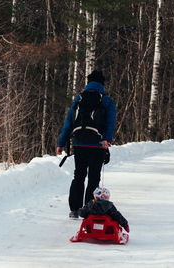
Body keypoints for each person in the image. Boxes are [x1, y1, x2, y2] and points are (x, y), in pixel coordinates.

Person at [57, 70, 116, 218]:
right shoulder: (106, 100)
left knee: (79, 175)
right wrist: (107, 139)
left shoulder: (79, 99)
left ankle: (75, 209)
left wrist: (61, 143)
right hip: (98, 145)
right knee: (94, 177)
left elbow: (69, 123)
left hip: (79, 143)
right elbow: (110, 123)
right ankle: (89, 210)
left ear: (88, 82)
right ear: (102, 83)